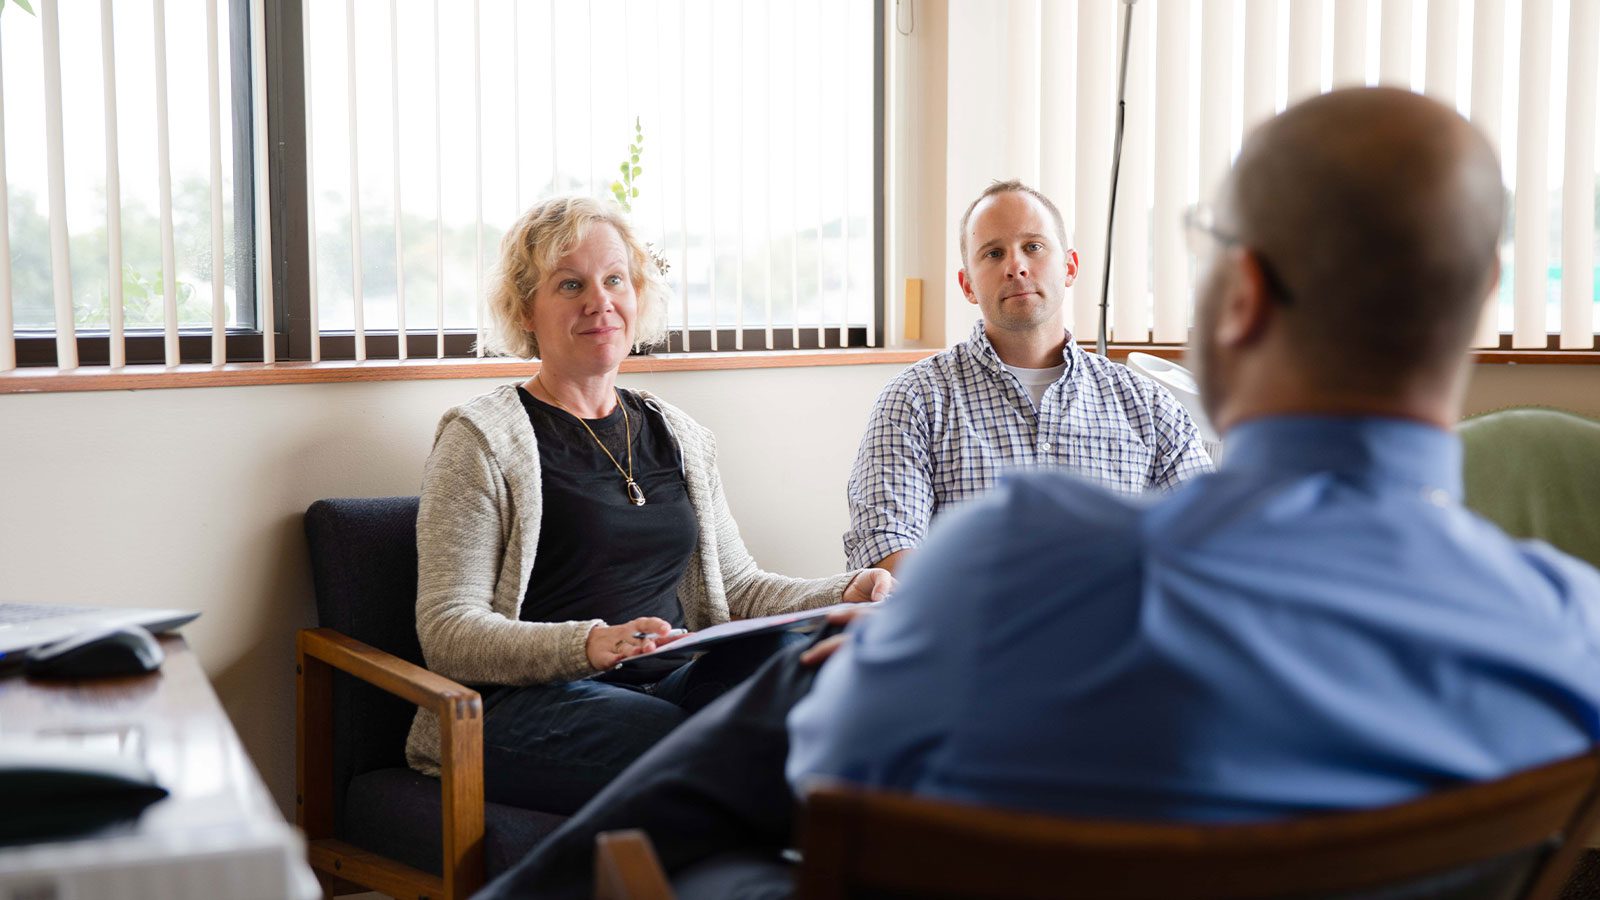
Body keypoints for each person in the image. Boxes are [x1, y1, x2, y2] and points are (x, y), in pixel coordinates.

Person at [476, 88, 1600, 898]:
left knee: (763, 752)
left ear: (1238, 300)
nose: (1018, 270)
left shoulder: (1020, 557)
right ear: (1480, 301)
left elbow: (832, 790)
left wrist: (890, 653)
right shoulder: (1572, 636)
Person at [405, 195, 892, 817]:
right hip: (528, 704)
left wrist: (846, 590)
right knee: (698, 750)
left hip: (668, 683)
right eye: (571, 284)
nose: (599, 300)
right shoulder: (481, 439)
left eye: (615, 280)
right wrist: (589, 645)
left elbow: (739, 587)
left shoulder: (679, 435)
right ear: (526, 309)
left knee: (812, 672)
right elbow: (448, 631)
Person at [845, 180, 1212, 573]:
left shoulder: (1147, 405)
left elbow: (1211, 539)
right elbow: (885, 548)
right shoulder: (914, 401)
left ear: (1069, 267)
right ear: (967, 285)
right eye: (993, 253)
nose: (1015, 266)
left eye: (1033, 247)